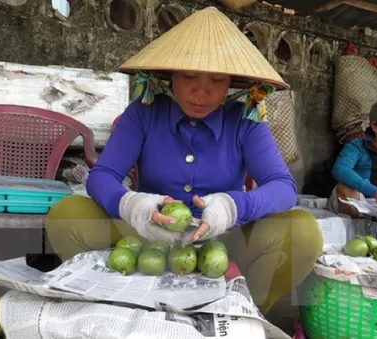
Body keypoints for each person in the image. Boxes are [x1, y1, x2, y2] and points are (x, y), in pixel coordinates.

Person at [45, 7, 323, 315]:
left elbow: (283, 188)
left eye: (217, 80)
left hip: (222, 242)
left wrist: (232, 207)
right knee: (67, 213)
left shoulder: (246, 121)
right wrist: (134, 207)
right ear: (171, 75)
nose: (201, 91)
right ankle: (113, 309)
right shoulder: (144, 112)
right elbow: (102, 177)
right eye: (189, 76)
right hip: (147, 237)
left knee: (303, 231)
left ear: (231, 82)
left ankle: (244, 314)